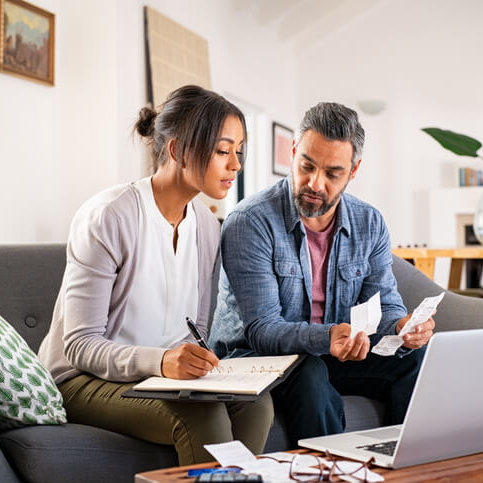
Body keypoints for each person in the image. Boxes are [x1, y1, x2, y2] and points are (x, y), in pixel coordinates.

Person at [38, 85, 273, 465]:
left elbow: (194, 328)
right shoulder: (109, 216)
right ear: (179, 150)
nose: (235, 165)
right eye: (222, 150)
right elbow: (79, 345)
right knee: (204, 414)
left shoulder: (209, 228)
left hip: (160, 379)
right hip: (82, 380)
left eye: (239, 152)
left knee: (256, 405)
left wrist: (199, 364)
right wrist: (162, 361)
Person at [208, 101, 434, 447]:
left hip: (330, 352)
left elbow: (386, 304)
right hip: (254, 359)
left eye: (332, 174)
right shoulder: (250, 222)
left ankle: (395, 467)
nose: (315, 183)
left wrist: (402, 328)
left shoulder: (369, 223)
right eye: (307, 166)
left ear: (353, 171)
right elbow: (263, 331)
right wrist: (329, 338)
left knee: (415, 361)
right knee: (311, 372)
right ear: (294, 151)